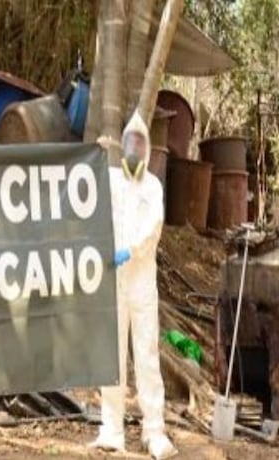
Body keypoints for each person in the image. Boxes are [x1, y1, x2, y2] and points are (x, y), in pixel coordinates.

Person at [92, 112, 177, 459]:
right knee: (112, 354)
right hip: (114, 282)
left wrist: (130, 251)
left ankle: (153, 430)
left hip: (142, 283)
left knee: (146, 354)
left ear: (148, 150)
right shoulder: (110, 179)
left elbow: (153, 228)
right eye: (129, 142)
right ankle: (111, 428)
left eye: (139, 143)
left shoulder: (153, 187)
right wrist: (94, 157)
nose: (133, 149)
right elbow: (87, 191)